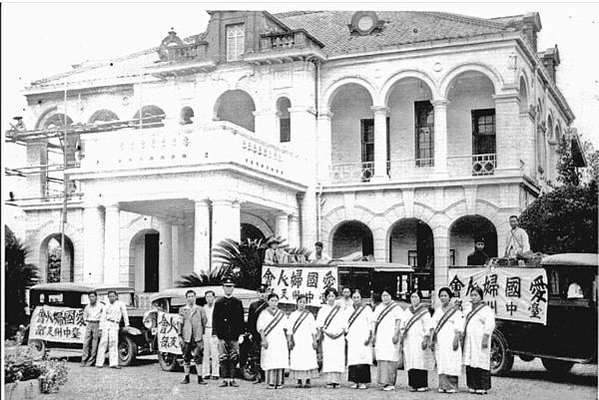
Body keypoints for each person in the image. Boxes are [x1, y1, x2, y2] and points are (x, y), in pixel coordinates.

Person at [430, 287, 464, 394]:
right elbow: (433, 326)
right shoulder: (438, 310)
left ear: (450, 297)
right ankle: (443, 385)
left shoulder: (456, 311)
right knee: (441, 361)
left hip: (451, 338)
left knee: (452, 361)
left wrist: (456, 339)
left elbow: (459, 326)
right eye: (441, 296)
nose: (443, 298)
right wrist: (432, 339)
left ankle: (452, 386)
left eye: (445, 296)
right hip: (440, 340)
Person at [212, 277, 245, 387]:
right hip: (222, 335)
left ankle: (232, 378)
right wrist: (215, 334)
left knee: (234, 357)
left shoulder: (237, 302)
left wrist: (241, 334)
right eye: (226, 287)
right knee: (223, 357)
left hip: (234, 335)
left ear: (233, 288)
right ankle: (225, 379)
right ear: (223, 288)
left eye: (230, 287)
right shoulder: (219, 302)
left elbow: (240, 319)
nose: (228, 289)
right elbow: (215, 319)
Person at [462, 287, 495, 395]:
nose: (473, 297)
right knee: (470, 360)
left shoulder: (486, 310)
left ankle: (482, 386)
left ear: (481, 296)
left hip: (480, 339)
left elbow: (490, 324)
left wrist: (485, 337)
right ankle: (472, 385)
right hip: (469, 339)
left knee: (481, 360)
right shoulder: (468, 308)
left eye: (476, 295)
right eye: (472, 295)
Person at [372, 288, 404, 391]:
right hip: (381, 336)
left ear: (391, 296)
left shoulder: (396, 308)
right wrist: (373, 334)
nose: (385, 297)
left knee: (391, 357)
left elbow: (399, 321)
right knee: (382, 357)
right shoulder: (378, 307)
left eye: (387, 295)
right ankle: (382, 382)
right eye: (383, 295)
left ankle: (390, 382)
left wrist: (396, 334)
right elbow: (374, 322)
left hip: (391, 336)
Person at [401, 290, 433, 392]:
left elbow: (427, 326)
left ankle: (422, 384)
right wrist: (403, 332)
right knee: (411, 360)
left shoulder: (424, 311)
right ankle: (413, 384)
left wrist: (425, 338)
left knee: (421, 361)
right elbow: (403, 324)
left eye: (416, 297)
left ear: (420, 298)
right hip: (409, 340)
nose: (414, 299)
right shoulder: (407, 311)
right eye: (412, 297)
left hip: (420, 339)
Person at [316, 287, 348, 388]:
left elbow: (345, 324)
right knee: (329, 357)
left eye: (333, 296)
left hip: (339, 337)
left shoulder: (341, 309)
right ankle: (329, 380)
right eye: (329, 296)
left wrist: (339, 333)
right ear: (326, 297)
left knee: (338, 357)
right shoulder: (322, 310)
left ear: (336, 297)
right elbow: (320, 325)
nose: (331, 298)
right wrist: (327, 333)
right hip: (327, 336)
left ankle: (337, 380)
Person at [256, 293, 289, 389]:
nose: (274, 303)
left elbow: (286, 328)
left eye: (276, 301)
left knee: (279, 360)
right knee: (270, 359)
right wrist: (263, 340)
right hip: (269, 339)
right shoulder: (264, 313)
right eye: (272, 301)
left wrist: (287, 340)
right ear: (268, 302)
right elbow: (260, 328)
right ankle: (270, 382)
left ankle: (279, 382)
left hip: (280, 339)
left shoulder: (282, 314)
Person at [286, 294, 319, 388]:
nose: (302, 304)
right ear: (297, 303)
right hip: (297, 340)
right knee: (297, 359)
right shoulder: (293, 315)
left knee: (308, 359)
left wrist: (314, 341)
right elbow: (289, 329)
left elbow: (313, 329)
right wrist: (289, 340)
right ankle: (299, 380)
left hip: (307, 340)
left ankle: (308, 380)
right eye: (300, 302)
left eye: (304, 302)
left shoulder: (309, 315)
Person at [345, 289, 373, 389]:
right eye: (354, 297)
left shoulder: (367, 309)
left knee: (363, 358)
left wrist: (369, 336)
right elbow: (346, 324)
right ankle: (354, 381)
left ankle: (363, 381)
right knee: (353, 359)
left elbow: (371, 323)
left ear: (361, 298)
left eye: (358, 297)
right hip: (353, 337)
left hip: (363, 336)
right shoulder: (348, 309)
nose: (356, 299)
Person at [178, 290, 208, 385]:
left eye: (192, 296)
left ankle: (200, 377)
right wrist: (179, 335)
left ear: (195, 298)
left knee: (198, 357)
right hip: (186, 337)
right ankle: (186, 377)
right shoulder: (182, 310)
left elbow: (204, 321)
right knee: (186, 357)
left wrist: (200, 332)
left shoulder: (200, 309)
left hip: (197, 337)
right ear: (186, 298)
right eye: (189, 296)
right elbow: (180, 323)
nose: (191, 298)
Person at [96, 290, 129, 369]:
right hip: (106, 324)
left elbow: (125, 314)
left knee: (113, 343)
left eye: (113, 296)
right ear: (108, 297)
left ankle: (113, 363)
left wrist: (127, 324)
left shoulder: (120, 304)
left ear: (116, 296)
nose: (111, 298)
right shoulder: (106, 305)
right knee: (103, 343)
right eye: (110, 296)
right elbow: (103, 317)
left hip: (115, 324)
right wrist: (100, 328)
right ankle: (99, 363)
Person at [247, 284, 269, 383]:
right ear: (257, 293)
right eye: (260, 292)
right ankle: (257, 376)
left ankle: (266, 376)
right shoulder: (253, 305)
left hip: (267, 334)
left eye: (264, 292)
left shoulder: (269, 305)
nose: (262, 295)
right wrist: (250, 333)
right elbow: (250, 321)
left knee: (267, 355)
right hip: (256, 334)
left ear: (267, 293)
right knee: (256, 355)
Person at [81, 291, 103, 367]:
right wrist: (86, 322)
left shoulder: (101, 306)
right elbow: (84, 316)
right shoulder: (87, 307)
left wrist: (101, 327)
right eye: (90, 297)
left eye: (93, 296)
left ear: (96, 297)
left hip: (97, 323)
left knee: (95, 343)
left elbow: (103, 316)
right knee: (86, 342)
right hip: (89, 323)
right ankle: (84, 359)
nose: (92, 298)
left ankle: (91, 360)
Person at [201, 290, 220, 380]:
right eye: (207, 297)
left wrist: (216, 332)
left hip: (214, 331)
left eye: (210, 296)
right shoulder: (203, 308)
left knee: (215, 353)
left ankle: (215, 373)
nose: (209, 298)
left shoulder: (217, 307)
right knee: (206, 353)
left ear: (214, 297)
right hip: (206, 330)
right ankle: (206, 372)